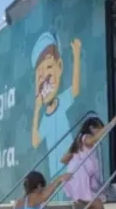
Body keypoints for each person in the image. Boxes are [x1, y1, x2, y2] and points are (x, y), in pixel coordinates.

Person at [61, 116, 116, 209]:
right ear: (92, 128)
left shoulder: (78, 143)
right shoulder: (85, 137)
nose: (101, 132)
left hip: (78, 178)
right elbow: (93, 139)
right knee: (99, 207)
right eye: (99, 129)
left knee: (91, 208)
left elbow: (63, 160)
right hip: (80, 178)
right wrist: (112, 123)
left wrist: (75, 156)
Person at [31, 33, 83, 179]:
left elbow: (75, 89)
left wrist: (76, 55)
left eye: (49, 66)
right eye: (39, 75)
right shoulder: (45, 118)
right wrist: (37, 110)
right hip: (56, 173)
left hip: (71, 166)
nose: (44, 77)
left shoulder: (62, 101)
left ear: (59, 66)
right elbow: (35, 141)